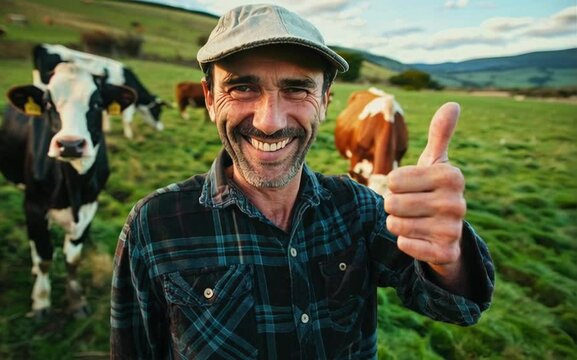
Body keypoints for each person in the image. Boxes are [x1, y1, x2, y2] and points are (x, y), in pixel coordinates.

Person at [110, 4, 494, 359]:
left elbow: (457, 306)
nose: (270, 121)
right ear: (210, 98)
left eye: (296, 88)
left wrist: (449, 255)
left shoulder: (358, 208)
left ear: (325, 101)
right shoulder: (154, 225)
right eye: (243, 87)